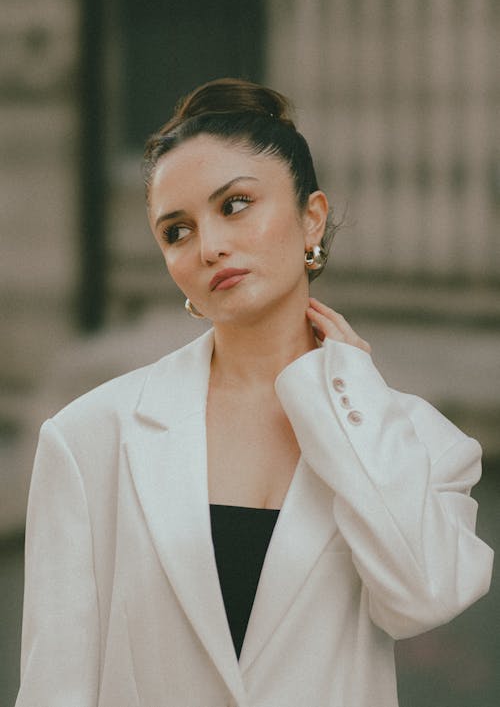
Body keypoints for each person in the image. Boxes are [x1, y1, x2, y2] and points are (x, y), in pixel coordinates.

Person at [16, 78, 493, 707]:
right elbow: (55, 686)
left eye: (235, 205)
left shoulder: (416, 438)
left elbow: (426, 595)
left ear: (311, 219)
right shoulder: (87, 439)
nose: (210, 246)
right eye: (177, 232)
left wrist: (348, 394)